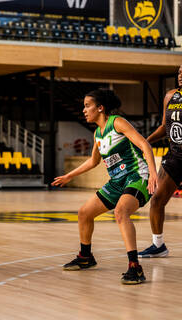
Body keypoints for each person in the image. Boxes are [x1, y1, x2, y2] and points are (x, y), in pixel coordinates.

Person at [52, 89, 157, 285]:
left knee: (121, 212)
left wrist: (152, 173)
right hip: (117, 181)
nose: (84, 110)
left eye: (87, 106)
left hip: (136, 176)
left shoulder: (117, 122)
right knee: (84, 213)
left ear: (100, 108)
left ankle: (135, 267)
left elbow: (145, 145)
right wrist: (69, 175)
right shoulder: (97, 134)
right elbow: (93, 161)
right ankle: (86, 257)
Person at [138, 65, 182, 258]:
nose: (181, 76)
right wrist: (145, 141)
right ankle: (158, 245)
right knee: (156, 200)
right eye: (180, 72)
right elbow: (165, 127)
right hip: (174, 157)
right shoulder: (170, 96)